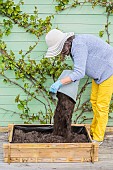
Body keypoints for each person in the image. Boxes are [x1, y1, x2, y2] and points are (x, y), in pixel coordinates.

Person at [45, 29, 113, 145]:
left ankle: (98, 138)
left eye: (60, 50)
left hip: (109, 72)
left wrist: (60, 83)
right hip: (99, 74)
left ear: (64, 44)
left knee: (101, 106)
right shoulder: (74, 45)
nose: (61, 53)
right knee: (94, 101)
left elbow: (79, 73)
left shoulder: (78, 46)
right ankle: (93, 131)